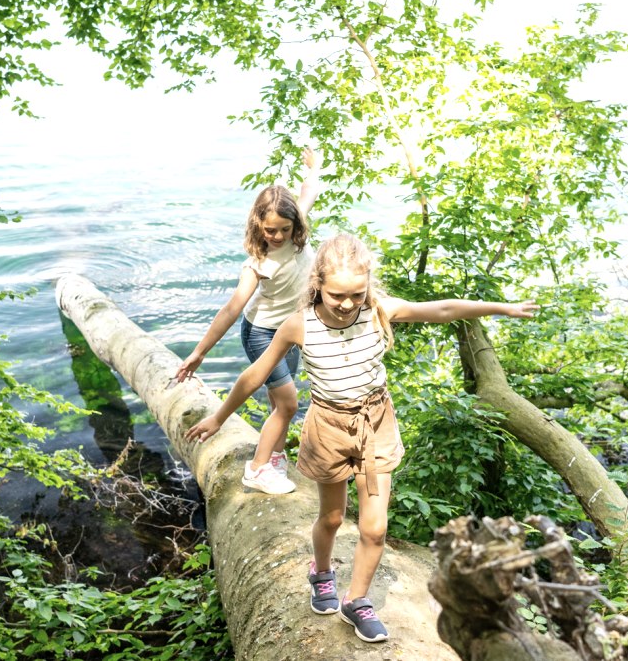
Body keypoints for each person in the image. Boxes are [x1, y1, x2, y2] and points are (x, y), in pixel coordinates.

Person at [185, 233, 538, 643]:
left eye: (356, 293)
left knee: (374, 528)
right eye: (338, 295)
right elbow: (254, 375)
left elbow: (441, 308)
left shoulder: (378, 311)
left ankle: (356, 600)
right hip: (329, 427)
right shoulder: (299, 324)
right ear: (318, 284)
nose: (347, 303)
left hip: (376, 423)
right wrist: (218, 417)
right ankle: (321, 572)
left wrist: (501, 307)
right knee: (332, 518)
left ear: (368, 285)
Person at [172, 148, 320, 495]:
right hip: (263, 333)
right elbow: (232, 308)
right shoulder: (257, 262)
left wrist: (315, 166)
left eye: (285, 229)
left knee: (277, 403)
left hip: (293, 331)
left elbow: (309, 191)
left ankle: (275, 457)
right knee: (288, 403)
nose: (278, 236)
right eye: (270, 230)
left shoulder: (297, 229)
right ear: (258, 225)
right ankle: (256, 470)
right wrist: (199, 352)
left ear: (296, 223)